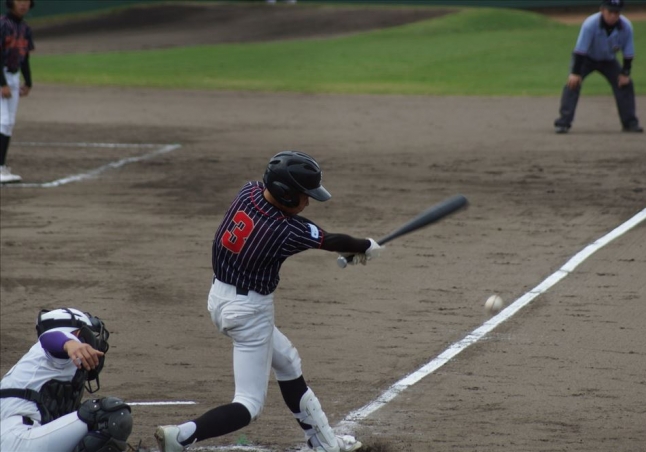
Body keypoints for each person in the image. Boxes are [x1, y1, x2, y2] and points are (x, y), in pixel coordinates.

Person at [155, 151, 383, 452]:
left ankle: (324, 443)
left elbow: (327, 241)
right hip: (249, 313)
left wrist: (349, 248)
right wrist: (365, 246)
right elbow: (329, 240)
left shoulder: (248, 192)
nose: (308, 201)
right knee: (248, 404)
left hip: (221, 297)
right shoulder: (284, 230)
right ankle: (180, 436)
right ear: (286, 194)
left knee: (287, 361)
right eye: (304, 195)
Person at [0, 308, 133, 452]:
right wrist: (70, 343)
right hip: (17, 439)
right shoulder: (53, 350)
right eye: (91, 335)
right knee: (107, 413)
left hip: (25, 440)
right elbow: (49, 338)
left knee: (89, 426)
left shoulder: (51, 368)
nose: (96, 342)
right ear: (77, 334)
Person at [554, 0, 643, 134]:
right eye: (610, 11)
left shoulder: (626, 26)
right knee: (572, 84)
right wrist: (575, 73)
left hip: (609, 60)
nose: (613, 15)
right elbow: (580, 51)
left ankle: (630, 123)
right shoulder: (590, 24)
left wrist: (625, 73)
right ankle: (563, 123)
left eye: (617, 12)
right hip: (586, 59)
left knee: (625, 84)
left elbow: (628, 53)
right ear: (602, 10)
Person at [0, 0, 35, 184]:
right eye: (19, 1)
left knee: (9, 123)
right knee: (4, 121)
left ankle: (2, 167)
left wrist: (28, 81)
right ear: (11, 3)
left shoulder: (25, 28)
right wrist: (2, 83)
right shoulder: (2, 25)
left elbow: (25, 57)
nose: (23, 4)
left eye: (26, 1)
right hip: (2, 76)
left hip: (14, 78)